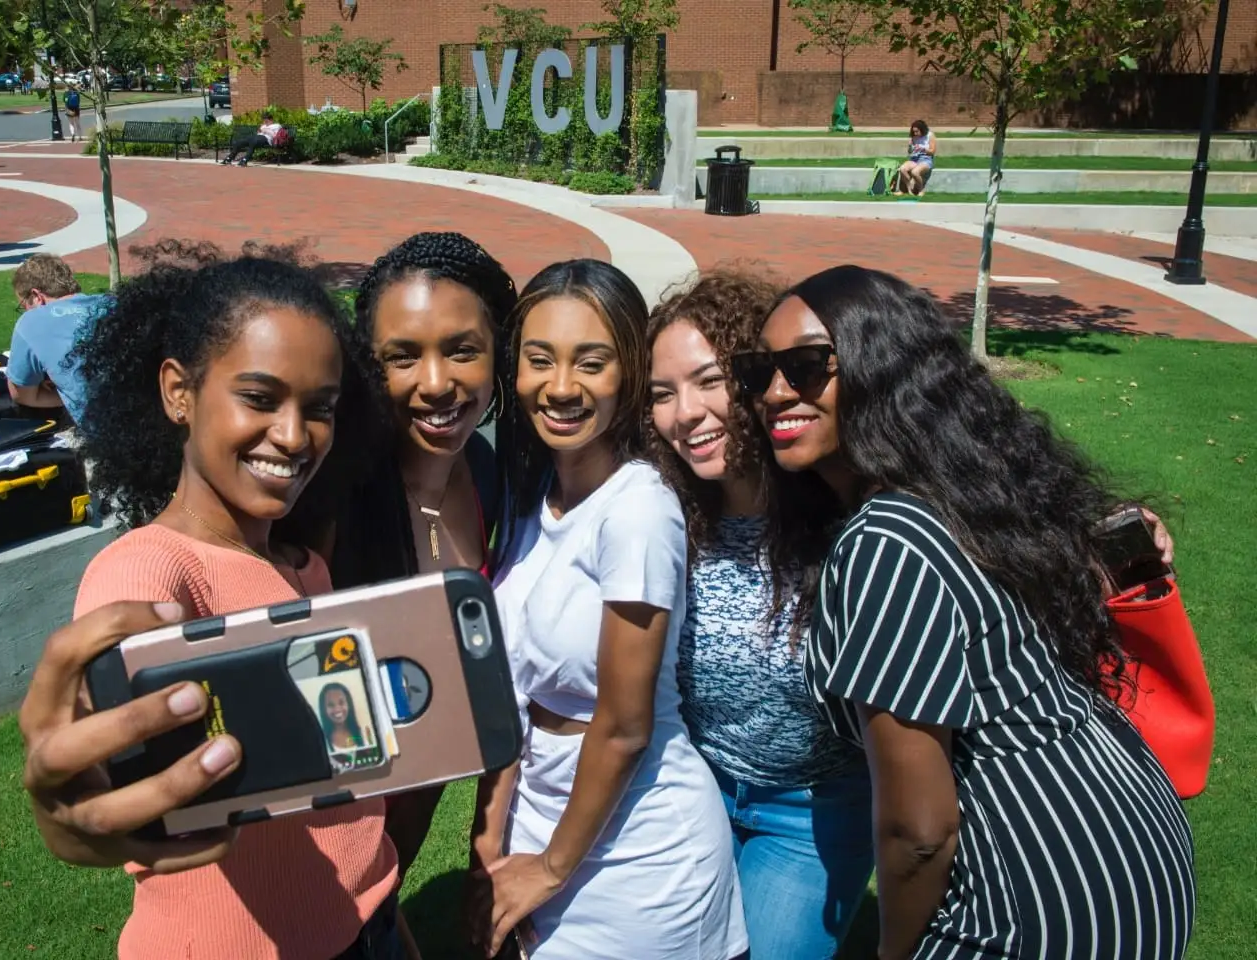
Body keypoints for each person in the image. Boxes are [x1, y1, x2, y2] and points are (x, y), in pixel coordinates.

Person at [736, 264, 1196, 960]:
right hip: (1129, 849)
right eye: (757, 371)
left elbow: (919, 835)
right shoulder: (964, 492)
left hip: (1037, 895)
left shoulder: (884, 540)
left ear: (879, 366)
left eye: (805, 367)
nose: (774, 393)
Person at [18, 253, 418, 960]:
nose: (295, 436)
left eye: (319, 409)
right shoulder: (151, 568)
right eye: (260, 398)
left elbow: (347, 795)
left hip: (371, 925)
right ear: (179, 392)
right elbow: (99, 775)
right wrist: (74, 814)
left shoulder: (308, 567)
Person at [471, 259, 748, 960]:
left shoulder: (637, 510)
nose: (561, 387)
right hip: (545, 816)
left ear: (626, 372)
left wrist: (553, 867)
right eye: (540, 361)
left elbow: (623, 727)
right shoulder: (536, 500)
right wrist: (493, 836)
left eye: (589, 363)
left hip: (640, 854)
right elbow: (518, 694)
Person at [645, 269, 873, 960]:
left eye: (708, 380)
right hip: (694, 789)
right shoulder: (661, 516)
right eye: (662, 394)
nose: (686, 412)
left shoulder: (840, 509)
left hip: (811, 809)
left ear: (757, 379)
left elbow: (970, 499)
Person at [275, 230, 516, 882]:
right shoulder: (331, 497)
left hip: (427, 769)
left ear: (499, 353)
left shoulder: (493, 475)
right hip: (332, 795)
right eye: (402, 357)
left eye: (463, 350)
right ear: (368, 365)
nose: (437, 383)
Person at [7, 254, 110, 425]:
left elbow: (21, 394)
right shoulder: (111, 303)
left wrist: (70, 393)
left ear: (36, 296)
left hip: (104, 433)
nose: (25, 312)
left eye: (24, 305)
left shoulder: (32, 321)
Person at [321, 682, 375, 751]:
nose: (337, 709)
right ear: (324, 709)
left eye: (341, 702)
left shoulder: (366, 732)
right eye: (331, 705)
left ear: (348, 704)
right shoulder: (321, 740)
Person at [896, 119, 936, 197]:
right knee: (902, 169)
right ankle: (908, 190)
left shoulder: (930, 135)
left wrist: (923, 149)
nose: (915, 133)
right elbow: (910, 152)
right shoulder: (914, 137)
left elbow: (932, 151)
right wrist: (910, 147)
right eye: (914, 131)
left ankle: (921, 190)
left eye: (917, 131)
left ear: (922, 129)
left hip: (926, 159)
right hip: (914, 159)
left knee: (915, 172)